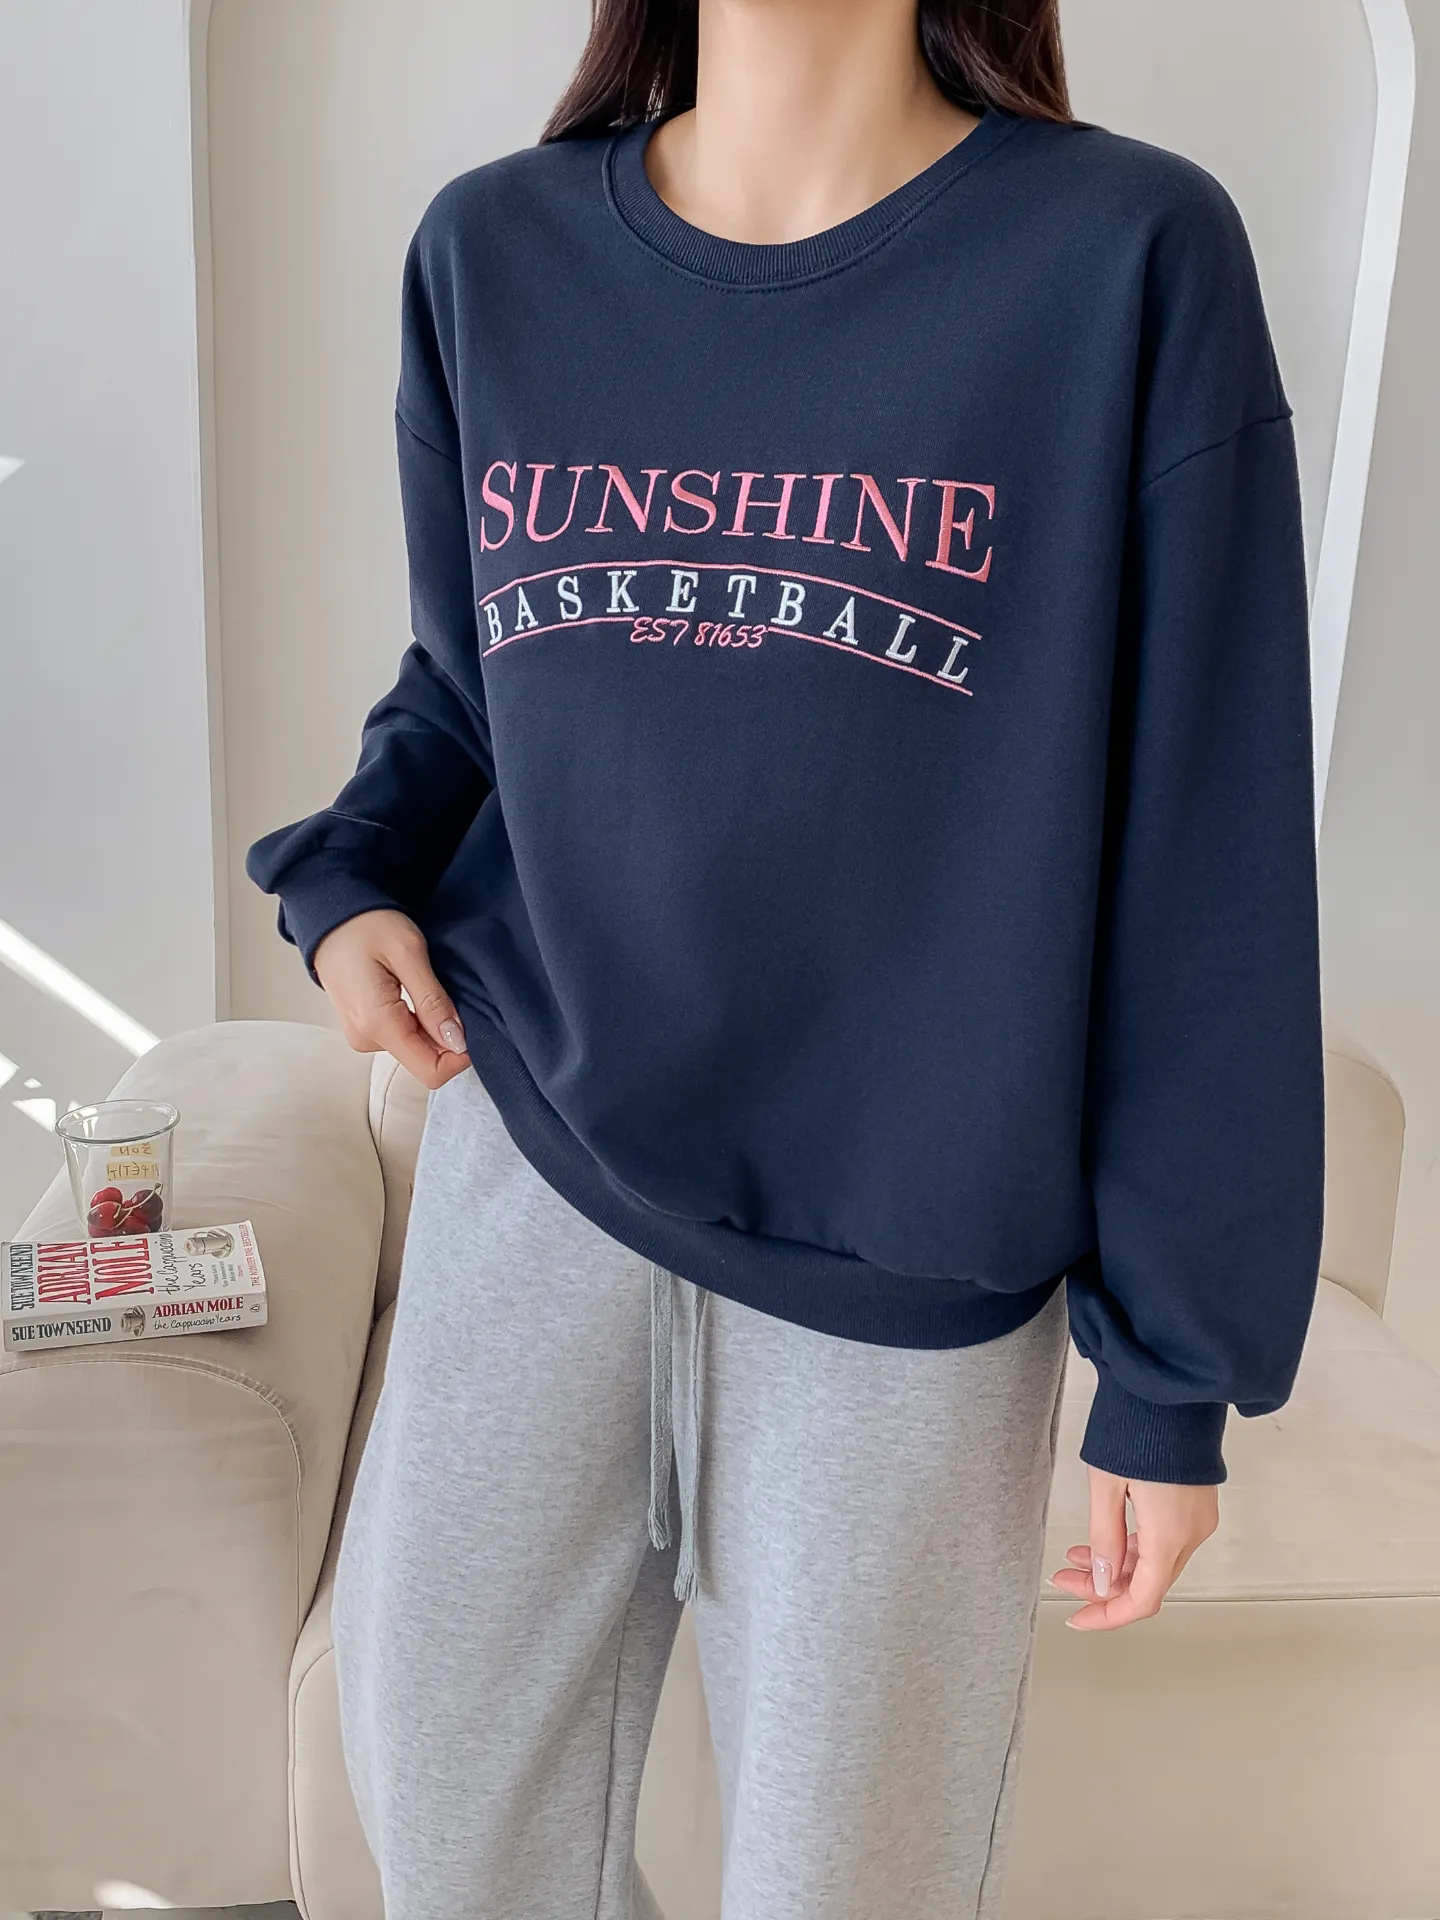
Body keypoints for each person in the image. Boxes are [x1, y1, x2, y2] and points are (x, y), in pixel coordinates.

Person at [247, 1, 1323, 1914]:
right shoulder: (496, 249)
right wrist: (350, 880)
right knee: (455, 1852)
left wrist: (1173, 1375)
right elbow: (476, 679)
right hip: (537, 1167)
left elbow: (1204, 838)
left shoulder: (1125, 257)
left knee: (851, 1884)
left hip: (910, 1250)